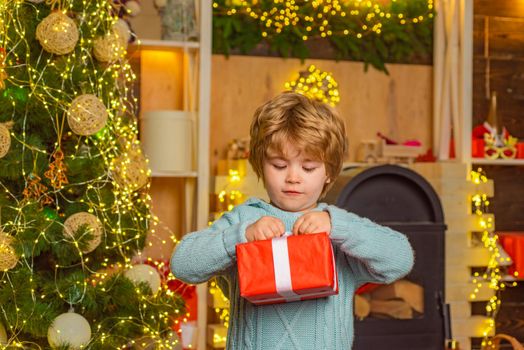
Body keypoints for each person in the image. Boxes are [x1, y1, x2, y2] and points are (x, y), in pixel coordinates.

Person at [171, 92, 414, 349]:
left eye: (308, 168)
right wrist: (240, 236)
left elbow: (400, 259)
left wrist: (339, 227)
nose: (293, 177)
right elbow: (183, 265)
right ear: (260, 165)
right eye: (279, 165)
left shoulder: (335, 227)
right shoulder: (246, 220)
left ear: (329, 173)